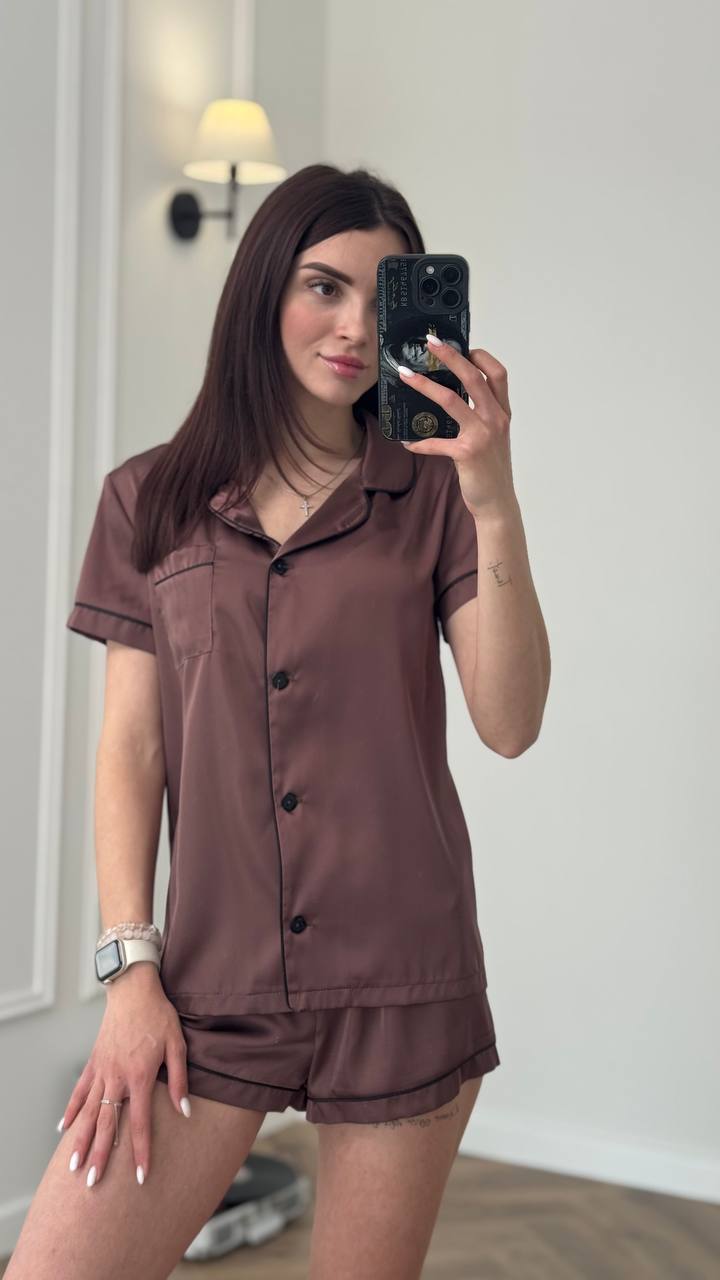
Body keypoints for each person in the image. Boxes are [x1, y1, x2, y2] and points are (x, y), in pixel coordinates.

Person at [7, 164, 550, 1279]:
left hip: (403, 976)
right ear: (265, 289)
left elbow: (510, 721)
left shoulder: (436, 494)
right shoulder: (148, 499)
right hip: (208, 985)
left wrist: (493, 494)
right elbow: (131, 750)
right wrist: (130, 976)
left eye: (380, 298)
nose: (352, 328)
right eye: (323, 286)